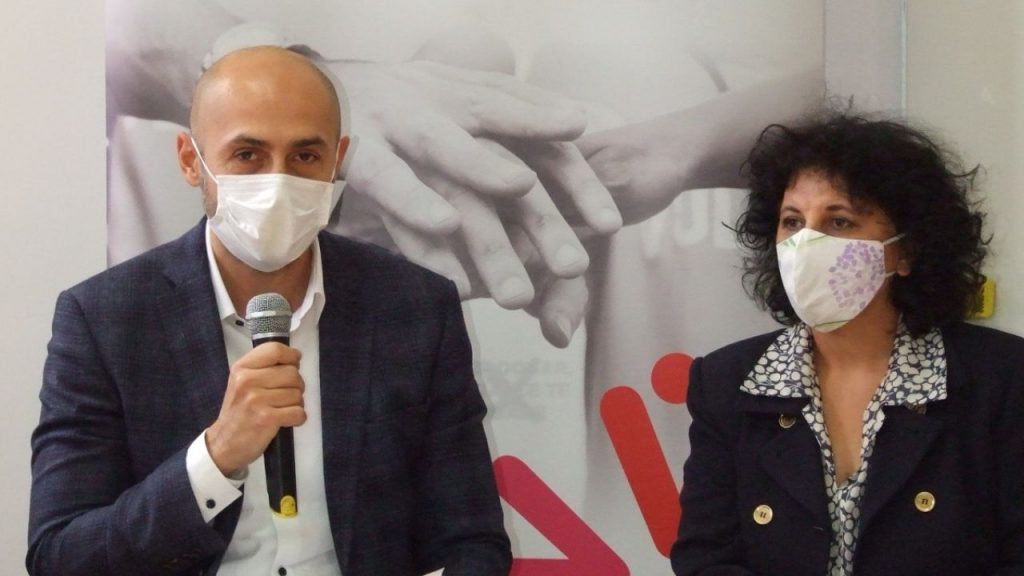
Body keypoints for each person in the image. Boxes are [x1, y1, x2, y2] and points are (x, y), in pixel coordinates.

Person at [28, 46, 511, 576]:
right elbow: (60, 554)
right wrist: (216, 456)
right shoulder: (103, 320)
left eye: (304, 157)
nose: (278, 183)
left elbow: (472, 541)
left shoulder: (414, 307)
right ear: (191, 160)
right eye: (247, 155)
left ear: (337, 160)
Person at [671, 115, 1024, 575]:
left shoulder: (1003, 378)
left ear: (905, 250)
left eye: (838, 221)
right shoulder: (727, 381)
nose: (806, 243)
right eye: (792, 221)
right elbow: (705, 558)